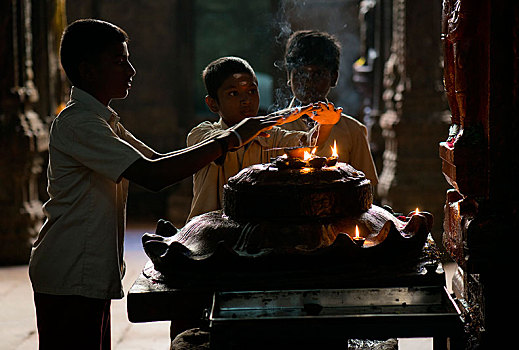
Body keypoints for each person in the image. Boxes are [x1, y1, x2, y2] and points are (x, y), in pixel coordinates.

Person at [28, 19, 286, 350]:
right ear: (88, 71)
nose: (131, 71)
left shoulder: (104, 120)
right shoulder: (79, 123)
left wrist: (228, 142)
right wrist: (231, 138)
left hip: (83, 270)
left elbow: (160, 159)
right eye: (119, 62)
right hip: (68, 269)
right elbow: (153, 175)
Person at [186, 56, 341, 220]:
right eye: (233, 93)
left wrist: (326, 124)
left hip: (254, 232)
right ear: (212, 104)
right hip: (207, 234)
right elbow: (225, 142)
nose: (246, 100)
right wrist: (275, 118)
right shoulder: (201, 134)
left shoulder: (271, 136)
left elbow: (308, 143)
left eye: (252, 91)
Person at [279, 30, 379, 185]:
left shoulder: (353, 131)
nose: (308, 81)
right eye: (300, 73)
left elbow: (367, 186)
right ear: (288, 77)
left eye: (318, 73)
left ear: (334, 77)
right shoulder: (273, 128)